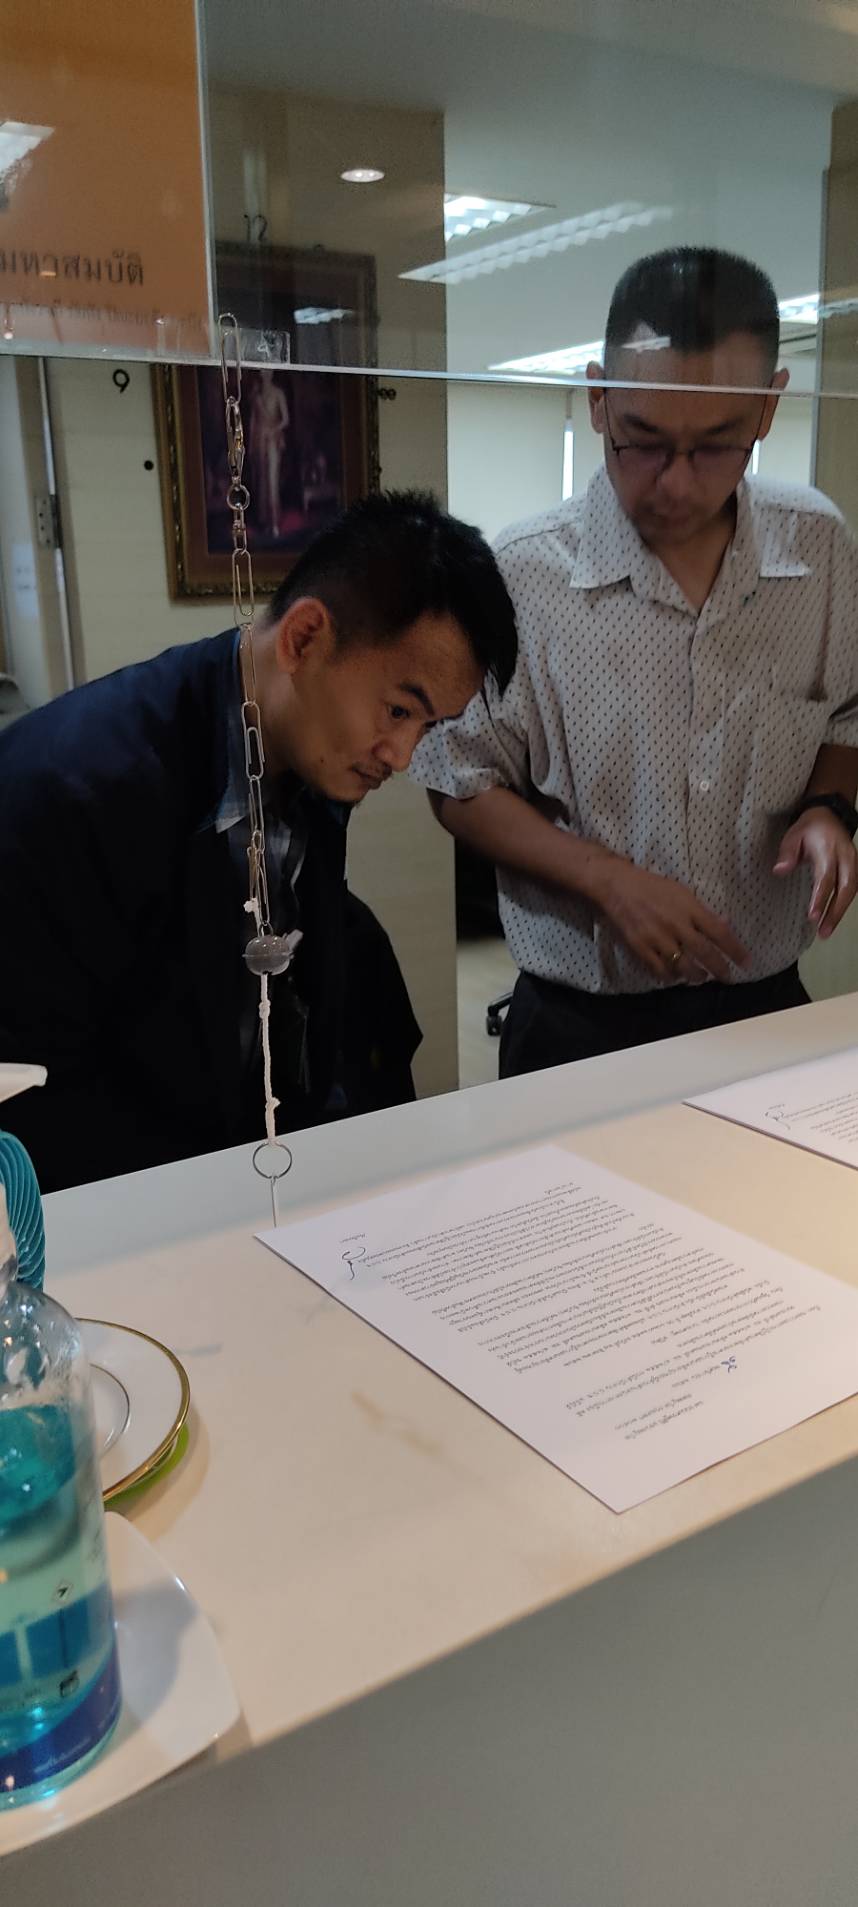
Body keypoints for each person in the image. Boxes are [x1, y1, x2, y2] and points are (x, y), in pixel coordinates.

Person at [412, 247, 858, 1077]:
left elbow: (845, 713)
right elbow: (457, 779)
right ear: (598, 398)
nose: (674, 485)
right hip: (579, 1021)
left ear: (768, 409)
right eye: (642, 442)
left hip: (762, 1006)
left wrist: (830, 806)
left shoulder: (819, 550)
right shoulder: (523, 574)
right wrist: (606, 880)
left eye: (716, 446)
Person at [0, 490, 517, 1191]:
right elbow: (34, 1104)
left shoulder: (309, 754)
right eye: (399, 710)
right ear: (304, 639)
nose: (400, 756)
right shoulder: (74, 790)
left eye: (427, 727)